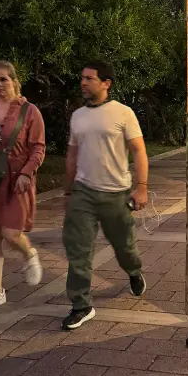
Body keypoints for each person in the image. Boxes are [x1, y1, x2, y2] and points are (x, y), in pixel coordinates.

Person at [61, 62, 149, 330]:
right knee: (78, 249)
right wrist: (67, 190)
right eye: (82, 78)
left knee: (125, 249)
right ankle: (81, 305)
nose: (83, 83)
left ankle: (134, 271)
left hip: (115, 194)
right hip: (83, 193)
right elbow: (72, 155)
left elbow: (138, 151)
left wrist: (142, 186)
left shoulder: (123, 113)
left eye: (89, 78)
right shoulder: (77, 116)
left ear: (106, 83)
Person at [0, 61, 45, 313]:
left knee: (10, 233)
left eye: (3, 79)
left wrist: (27, 172)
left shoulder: (30, 111)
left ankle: (29, 254)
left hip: (17, 180)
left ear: (14, 80)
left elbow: (38, 147)